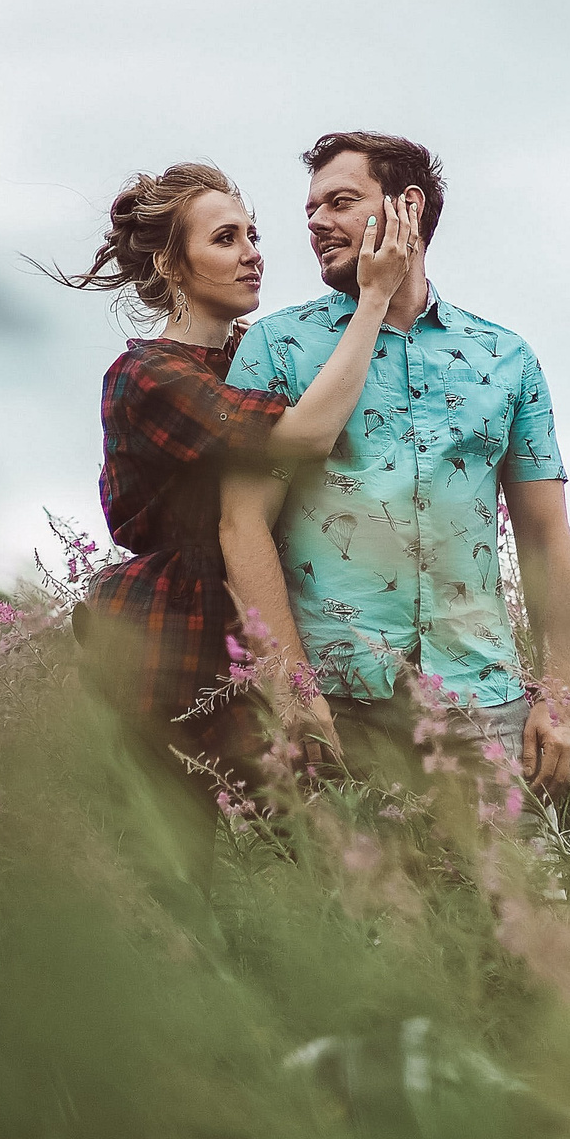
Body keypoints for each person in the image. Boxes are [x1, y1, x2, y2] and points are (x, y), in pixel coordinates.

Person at [52, 161, 418, 852]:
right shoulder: (148, 375)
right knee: (186, 867)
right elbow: (308, 434)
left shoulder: (256, 357)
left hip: (268, 611)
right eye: (225, 239)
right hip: (174, 633)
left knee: (327, 849)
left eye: (252, 234)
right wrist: (374, 300)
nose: (252, 252)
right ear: (170, 263)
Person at [219, 132, 570, 792]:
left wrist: (558, 696)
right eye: (310, 211)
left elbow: (545, 536)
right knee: (353, 899)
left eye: (340, 202)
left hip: (484, 704)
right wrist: (294, 691)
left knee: (514, 896)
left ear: (407, 207)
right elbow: (241, 523)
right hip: (337, 707)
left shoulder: (506, 358)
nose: (316, 224)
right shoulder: (276, 348)